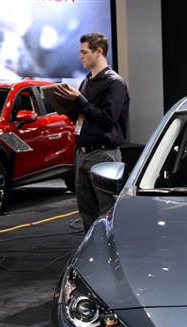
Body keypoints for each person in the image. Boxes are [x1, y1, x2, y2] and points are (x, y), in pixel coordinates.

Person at [54, 32, 130, 232]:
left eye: (84, 52)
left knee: (108, 211)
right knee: (87, 211)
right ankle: (92, 247)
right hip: (83, 154)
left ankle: (112, 249)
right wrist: (66, 106)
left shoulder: (114, 82)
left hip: (104, 154)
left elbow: (107, 119)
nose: (80, 56)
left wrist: (80, 101)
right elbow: (85, 116)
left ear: (99, 51)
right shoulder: (87, 82)